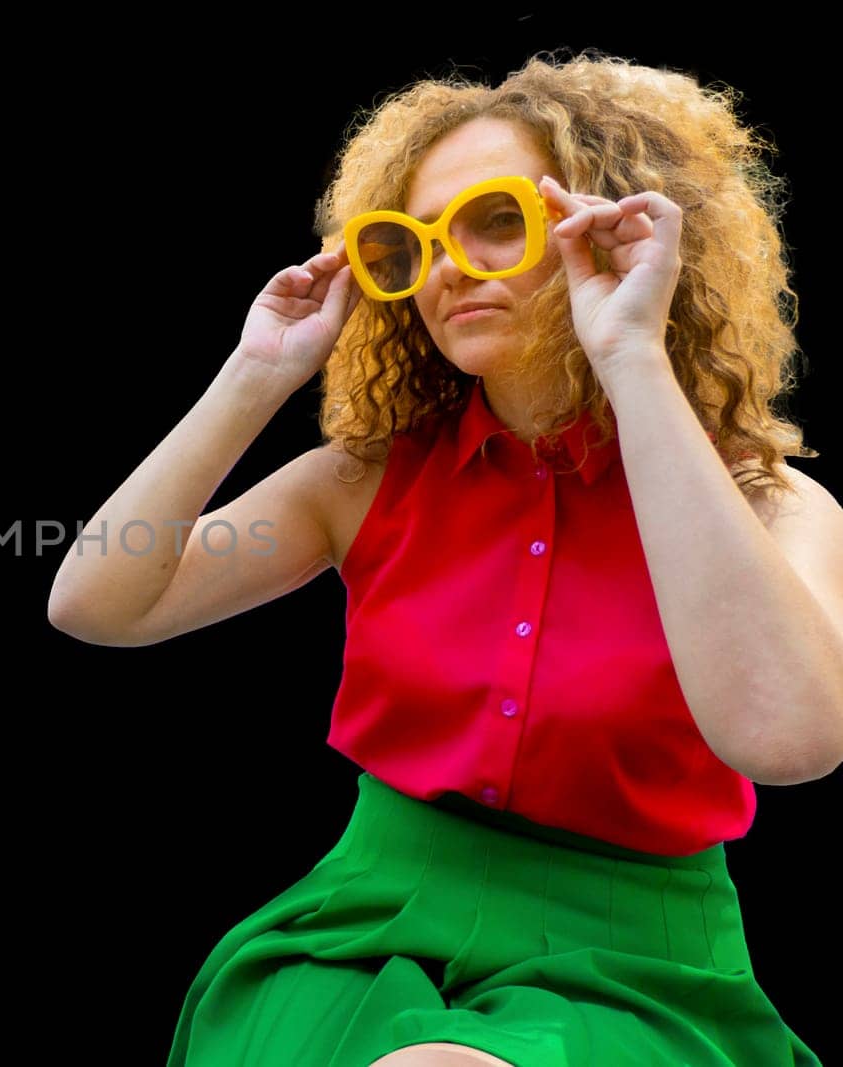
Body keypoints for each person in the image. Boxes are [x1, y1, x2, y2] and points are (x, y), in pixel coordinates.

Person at [47, 49, 839, 1066]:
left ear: (612, 228)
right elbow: (97, 599)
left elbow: (789, 742)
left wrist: (631, 356)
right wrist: (254, 375)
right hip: (359, 930)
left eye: (499, 220)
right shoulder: (365, 478)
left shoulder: (766, 502)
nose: (449, 266)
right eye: (411, 241)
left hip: (636, 960)